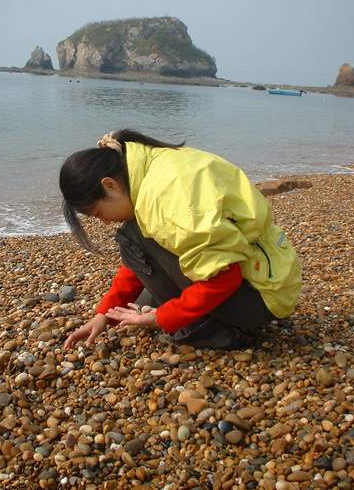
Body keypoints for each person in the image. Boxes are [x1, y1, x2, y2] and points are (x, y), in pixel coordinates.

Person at [61, 130, 302, 351]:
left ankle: (215, 332)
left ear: (109, 185)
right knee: (139, 294)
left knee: (131, 236)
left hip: (258, 299)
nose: (105, 222)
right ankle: (193, 315)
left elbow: (224, 277)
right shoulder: (151, 167)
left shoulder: (165, 199)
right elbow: (141, 261)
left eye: (98, 213)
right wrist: (104, 314)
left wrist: (161, 318)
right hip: (268, 274)